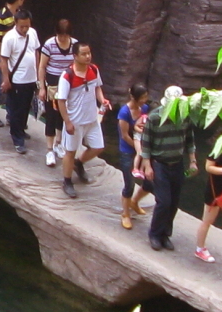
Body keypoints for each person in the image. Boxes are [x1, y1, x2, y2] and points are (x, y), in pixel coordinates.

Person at [140, 85, 198, 252]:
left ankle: (166, 234)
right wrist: (147, 165)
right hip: (160, 163)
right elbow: (146, 142)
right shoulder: (155, 117)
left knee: (174, 202)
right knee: (163, 201)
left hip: (177, 163)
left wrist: (192, 161)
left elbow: (189, 140)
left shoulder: (185, 116)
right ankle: (154, 234)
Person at [58, 40, 108, 196]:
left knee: (98, 147)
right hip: (75, 120)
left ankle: (78, 164)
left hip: (92, 118)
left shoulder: (94, 69)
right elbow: (61, 100)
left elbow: (97, 87)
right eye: (84, 54)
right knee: (70, 151)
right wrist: (67, 122)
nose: (88, 56)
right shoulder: (67, 76)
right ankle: (67, 181)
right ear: (75, 56)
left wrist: (102, 100)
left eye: (89, 53)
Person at [0, 7, 41, 156]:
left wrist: (38, 75)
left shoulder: (32, 33)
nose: (25, 29)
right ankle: (17, 139)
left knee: (26, 107)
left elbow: (36, 52)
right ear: (15, 23)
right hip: (17, 80)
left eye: (27, 26)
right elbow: (4, 60)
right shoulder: (9, 38)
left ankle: (21, 129)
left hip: (31, 78)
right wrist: (6, 79)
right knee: (16, 110)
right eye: (22, 26)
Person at [35, 19, 78, 167]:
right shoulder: (49, 45)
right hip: (52, 85)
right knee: (51, 116)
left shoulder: (75, 45)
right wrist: (42, 87)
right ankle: (49, 150)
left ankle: (58, 143)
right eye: (60, 36)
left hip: (68, 85)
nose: (63, 39)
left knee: (63, 115)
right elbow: (42, 67)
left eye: (65, 36)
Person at [116, 84, 150, 229]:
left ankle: (135, 201)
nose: (144, 100)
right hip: (127, 151)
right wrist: (137, 149)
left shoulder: (145, 109)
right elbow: (124, 135)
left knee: (150, 181)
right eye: (142, 98)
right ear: (134, 97)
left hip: (143, 150)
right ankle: (125, 213)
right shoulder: (124, 113)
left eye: (145, 97)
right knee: (129, 183)